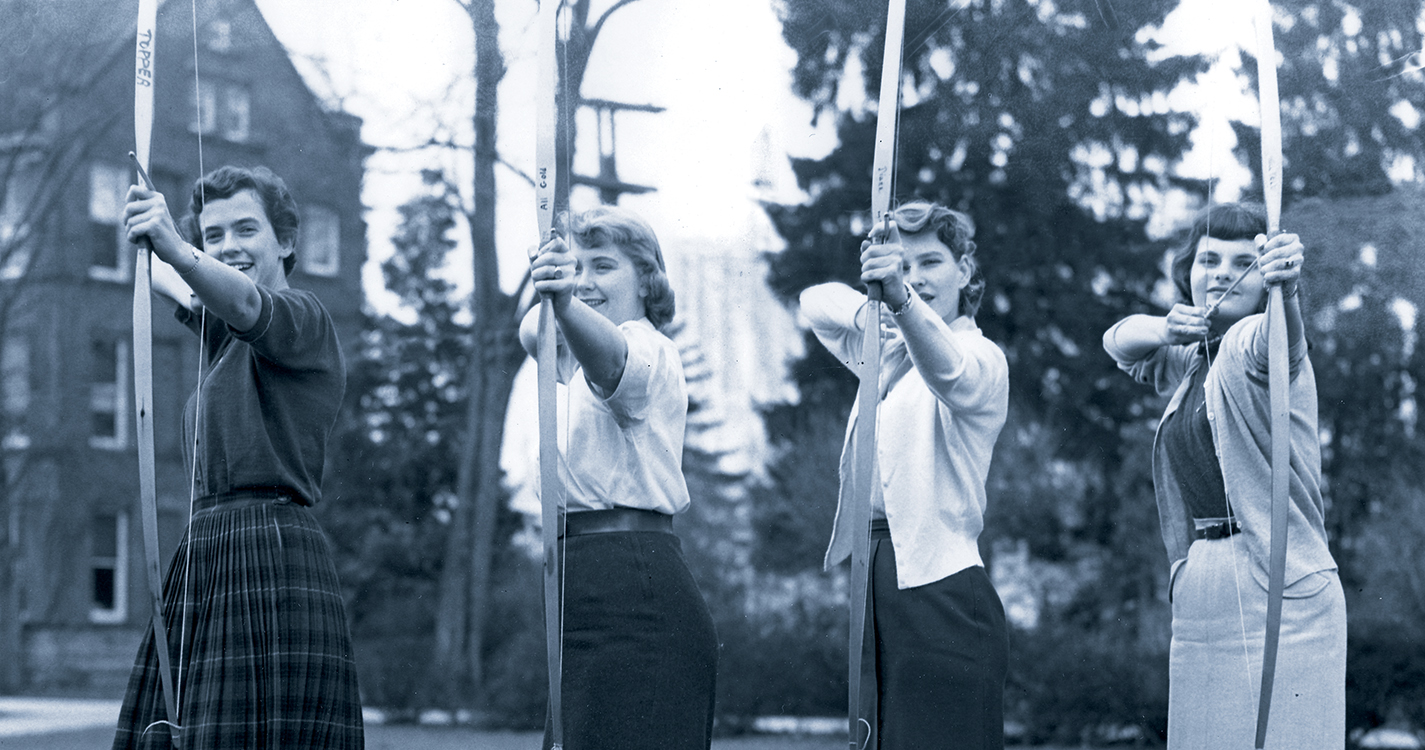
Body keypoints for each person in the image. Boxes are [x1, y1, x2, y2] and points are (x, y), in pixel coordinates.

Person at [114, 165, 363, 749]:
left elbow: (246, 304)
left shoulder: (302, 318)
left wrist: (177, 248)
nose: (229, 246)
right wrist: (158, 248)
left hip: (269, 551)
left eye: (246, 229)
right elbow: (177, 287)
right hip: (209, 556)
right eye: (214, 234)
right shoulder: (222, 341)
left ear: (286, 241)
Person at [1102, 202, 1345, 748]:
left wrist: (1289, 283)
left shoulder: (1256, 342)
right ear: (1187, 271)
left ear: (1264, 283)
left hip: (1284, 586)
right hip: (1204, 581)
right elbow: (1118, 343)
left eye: (1244, 261)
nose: (1220, 271)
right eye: (1208, 258)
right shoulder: (1190, 357)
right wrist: (1165, 327)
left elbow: (1280, 341)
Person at [800, 201, 1010, 750]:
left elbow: (951, 373)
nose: (916, 275)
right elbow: (813, 302)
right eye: (904, 263)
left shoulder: (981, 355)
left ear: (965, 271)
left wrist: (899, 296)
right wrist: (877, 312)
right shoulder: (888, 352)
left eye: (931, 262)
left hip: (941, 587)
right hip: (875, 576)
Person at [521, 205, 717, 750]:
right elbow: (529, 336)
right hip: (579, 580)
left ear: (648, 281)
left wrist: (559, 296)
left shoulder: (649, 347)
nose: (585, 281)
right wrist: (553, 289)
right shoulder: (574, 358)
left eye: (602, 266)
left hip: (634, 583)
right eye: (576, 266)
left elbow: (613, 365)